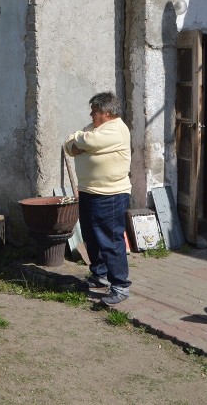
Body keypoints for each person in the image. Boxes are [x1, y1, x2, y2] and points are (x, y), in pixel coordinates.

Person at [64, 91, 132, 306]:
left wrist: (79, 142)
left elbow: (85, 142)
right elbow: (69, 146)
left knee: (110, 240)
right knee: (91, 237)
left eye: (95, 111)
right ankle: (99, 275)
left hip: (110, 195)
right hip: (88, 191)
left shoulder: (116, 130)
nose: (91, 114)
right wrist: (78, 143)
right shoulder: (94, 129)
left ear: (108, 112)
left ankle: (120, 286)